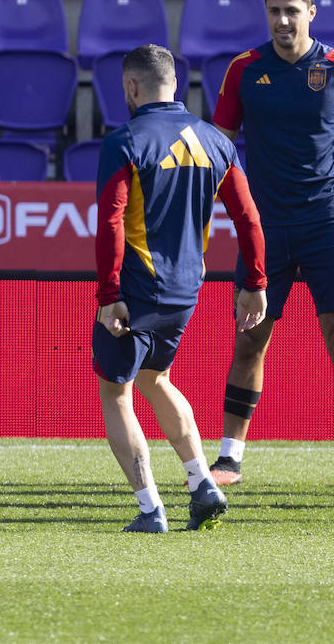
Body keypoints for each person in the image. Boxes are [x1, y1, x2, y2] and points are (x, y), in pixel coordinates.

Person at [208, 0, 334, 489]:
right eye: (274, 11)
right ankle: (230, 457)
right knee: (250, 339)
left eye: (292, 10)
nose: (283, 20)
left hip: (326, 217)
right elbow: (219, 150)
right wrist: (207, 219)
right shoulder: (244, 69)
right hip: (264, 226)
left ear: (312, 12)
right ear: (266, 13)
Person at [93, 44, 268, 533]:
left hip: (135, 290)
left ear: (131, 87)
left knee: (117, 393)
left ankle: (151, 509)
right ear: (176, 83)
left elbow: (110, 224)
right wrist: (255, 282)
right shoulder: (215, 140)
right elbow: (249, 218)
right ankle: (201, 485)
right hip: (186, 292)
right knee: (155, 379)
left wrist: (109, 295)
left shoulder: (124, 140)